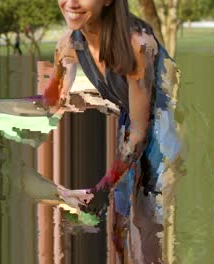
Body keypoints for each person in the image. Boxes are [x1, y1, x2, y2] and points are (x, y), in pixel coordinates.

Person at [46, 0, 185, 262]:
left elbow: (140, 134)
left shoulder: (137, 44)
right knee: (118, 230)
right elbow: (49, 103)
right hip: (131, 126)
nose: (71, 3)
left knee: (145, 226)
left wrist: (101, 189)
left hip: (168, 125)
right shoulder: (69, 45)